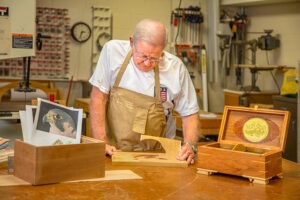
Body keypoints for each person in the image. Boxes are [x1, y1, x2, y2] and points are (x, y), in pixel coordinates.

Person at [89, 19, 201, 165]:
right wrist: (101, 143)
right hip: (113, 153)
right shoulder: (112, 52)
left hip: (158, 157)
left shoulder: (175, 68)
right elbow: (98, 98)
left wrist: (189, 145)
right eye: (143, 56)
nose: (148, 63)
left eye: (155, 58)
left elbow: (190, 113)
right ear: (131, 42)